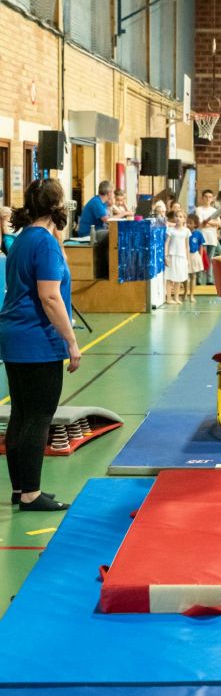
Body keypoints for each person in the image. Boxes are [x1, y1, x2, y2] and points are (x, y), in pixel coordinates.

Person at [0, 179, 78, 511]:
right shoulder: (43, 244)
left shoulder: (23, 239)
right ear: (56, 206)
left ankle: (21, 489)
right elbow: (49, 296)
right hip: (36, 339)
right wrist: (71, 341)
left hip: (14, 334)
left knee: (21, 414)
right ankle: (31, 492)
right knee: (38, 417)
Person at [194, 189, 221, 284]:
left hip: (212, 237)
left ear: (212, 199)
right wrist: (212, 223)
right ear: (202, 198)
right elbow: (201, 223)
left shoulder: (215, 210)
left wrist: (207, 222)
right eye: (206, 197)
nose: (208, 199)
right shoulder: (198, 209)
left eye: (210, 197)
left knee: (210, 259)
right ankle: (199, 279)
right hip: (202, 237)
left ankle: (210, 279)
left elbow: (219, 224)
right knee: (202, 259)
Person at [164, 210, 190, 304]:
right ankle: (168, 298)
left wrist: (187, 259)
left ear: (184, 219)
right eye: (176, 216)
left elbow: (187, 246)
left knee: (179, 277)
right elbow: (166, 244)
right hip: (172, 255)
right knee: (170, 277)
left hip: (181, 256)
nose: (178, 218)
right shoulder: (170, 230)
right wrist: (166, 256)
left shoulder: (187, 231)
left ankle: (176, 297)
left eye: (180, 216)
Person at [185, 213, 205, 301]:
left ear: (195, 224)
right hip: (186, 255)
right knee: (185, 276)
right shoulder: (185, 232)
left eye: (190, 223)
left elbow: (201, 245)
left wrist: (200, 256)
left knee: (193, 276)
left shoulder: (198, 234)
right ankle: (185, 292)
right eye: (187, 222)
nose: (188, 224)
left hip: (194, 255)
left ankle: (192, 295)